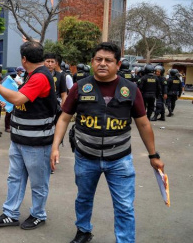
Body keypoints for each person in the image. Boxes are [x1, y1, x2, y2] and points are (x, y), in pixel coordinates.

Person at [50, 42, 165, 243]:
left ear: (118, 64)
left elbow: (144, 124)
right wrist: (55, 147)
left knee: (124, 206)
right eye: (98, 59)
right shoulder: (80, 87)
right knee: (83, 198)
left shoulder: (130, 89)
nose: (103, 64)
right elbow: (64, 118)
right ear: (92, 62)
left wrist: (153, 155)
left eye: (108, 60)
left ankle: (125, 240)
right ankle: (83, 230)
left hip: (119, 160)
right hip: (85, 157)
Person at [0, 41, 57, 230]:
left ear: (24, 59)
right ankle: (10, 213)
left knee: (38, 181)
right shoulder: (32, 75)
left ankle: (38, 214)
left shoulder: (41, 77)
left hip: (37, 142)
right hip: (20, 139)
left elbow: (18, 99)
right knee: (15, 178)